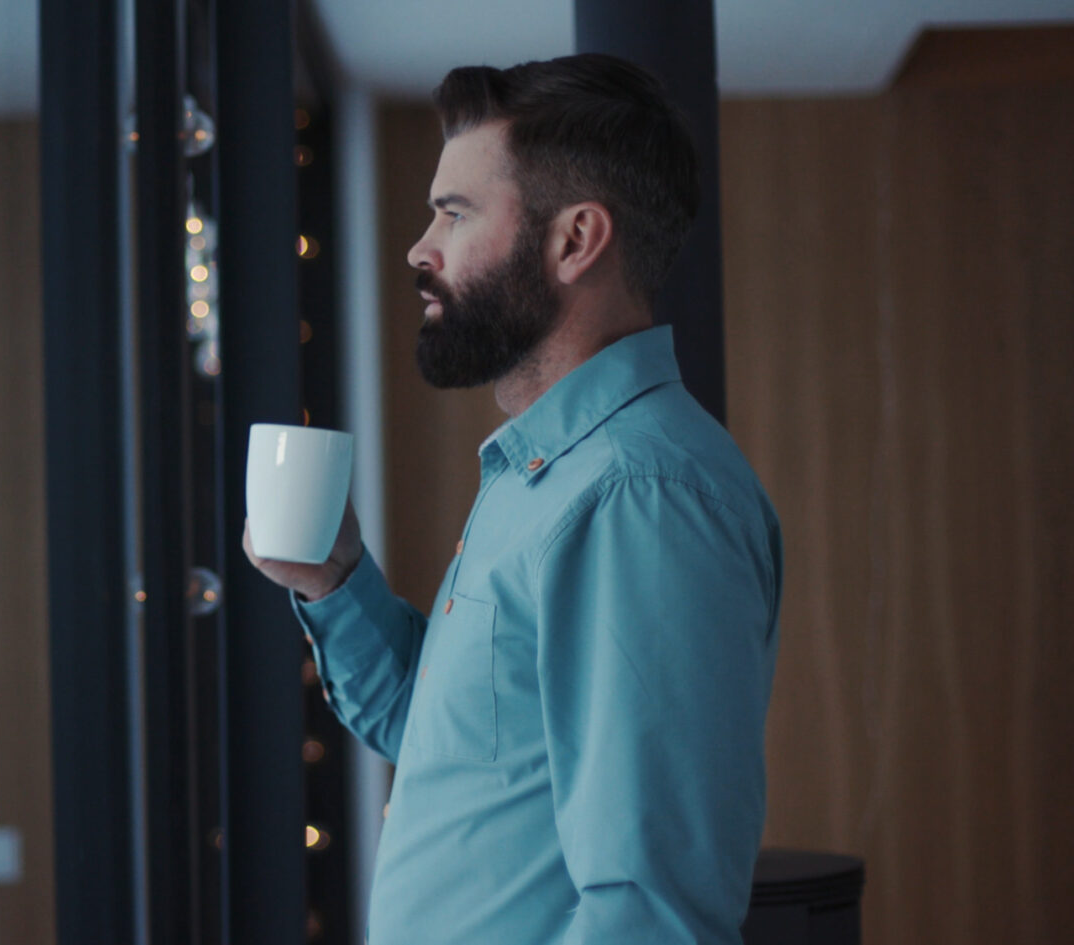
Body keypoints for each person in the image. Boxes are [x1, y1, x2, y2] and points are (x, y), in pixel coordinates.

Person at [245, 54, 782, 944]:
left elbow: (650, 915)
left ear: (575, 240)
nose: (422, 248)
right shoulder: (548, 476)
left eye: (454, 213)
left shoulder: (632, 496)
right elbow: (453, 742)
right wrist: (334, 580)